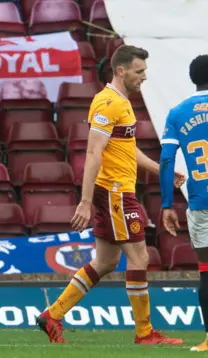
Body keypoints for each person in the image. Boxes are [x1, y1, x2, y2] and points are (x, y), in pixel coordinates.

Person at [36, 45, 186, 345]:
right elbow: (93, 153)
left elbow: (126, 149)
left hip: (116, 191)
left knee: (104, 263)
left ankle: (52, 315)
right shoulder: (107, 103)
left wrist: (161, 170)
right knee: (140, 257)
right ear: (121, 70)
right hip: (115, 192)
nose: (144, 76)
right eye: (139, 71)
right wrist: (85, 201)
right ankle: (144, 333)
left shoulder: (122, 102)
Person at [160, 54, 208, 352]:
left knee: (205, 270)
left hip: (202, 201)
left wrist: (167, 204)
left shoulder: (178, 113)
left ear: (193, 79)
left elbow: (166, 160)